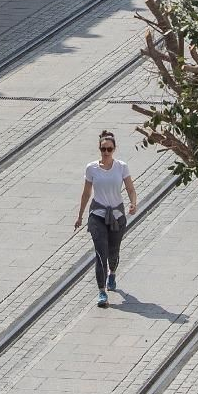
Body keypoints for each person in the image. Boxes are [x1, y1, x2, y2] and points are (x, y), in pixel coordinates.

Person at [74, 130, 138, 307]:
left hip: (117, 215)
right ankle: (102, 291)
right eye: (103, 149)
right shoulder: (91, 168)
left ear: (114, 149)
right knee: (100, 253)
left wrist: (133, 203)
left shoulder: (121, 166)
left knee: (113, 252)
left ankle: (113, 273)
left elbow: (131, 189)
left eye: (109, 149)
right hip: (97, 215)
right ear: (99, 149)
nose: (106, 152)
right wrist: (80, 216)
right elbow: (86, 193)